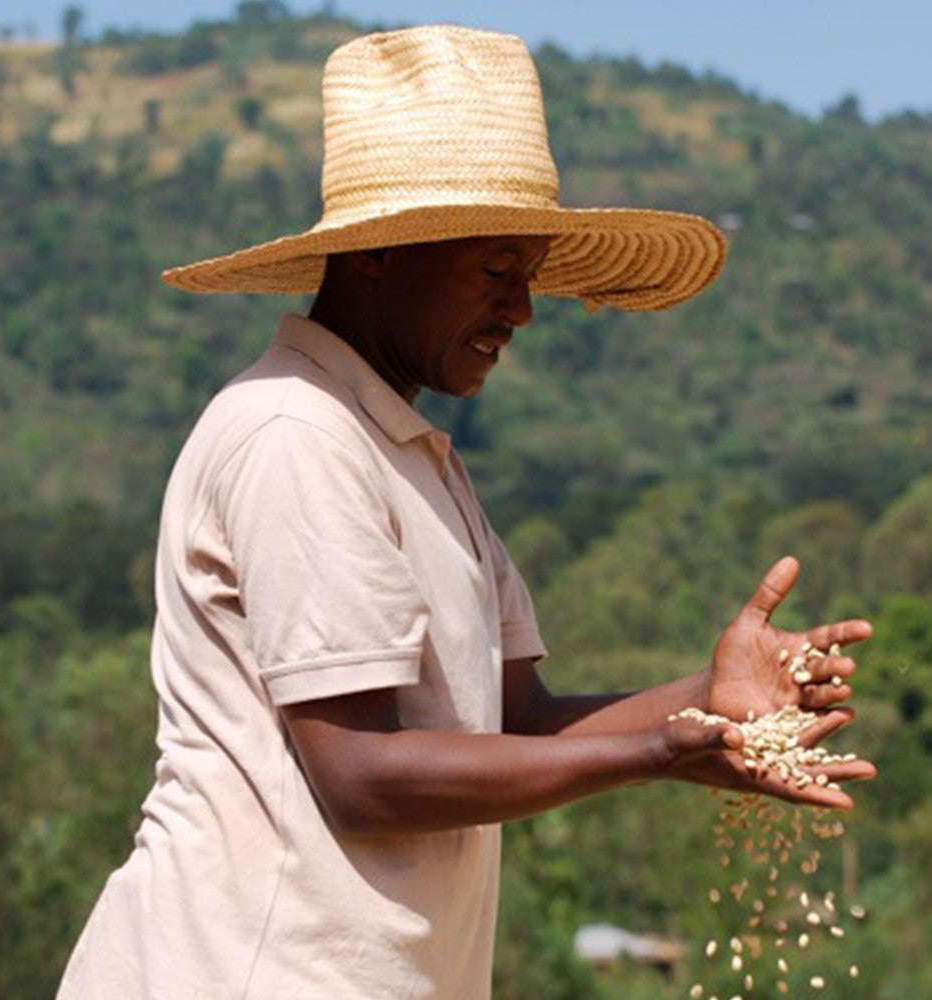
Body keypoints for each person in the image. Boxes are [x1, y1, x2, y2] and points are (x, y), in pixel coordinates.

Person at [56, 24, 875, 1000]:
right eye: (496, 268)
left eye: (528, 271)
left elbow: (514, 723)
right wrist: (658, 752)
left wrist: (711, 700)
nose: (523, 308)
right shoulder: (294, 431)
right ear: (375, 256)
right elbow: (359, 774)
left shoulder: (410, 456)